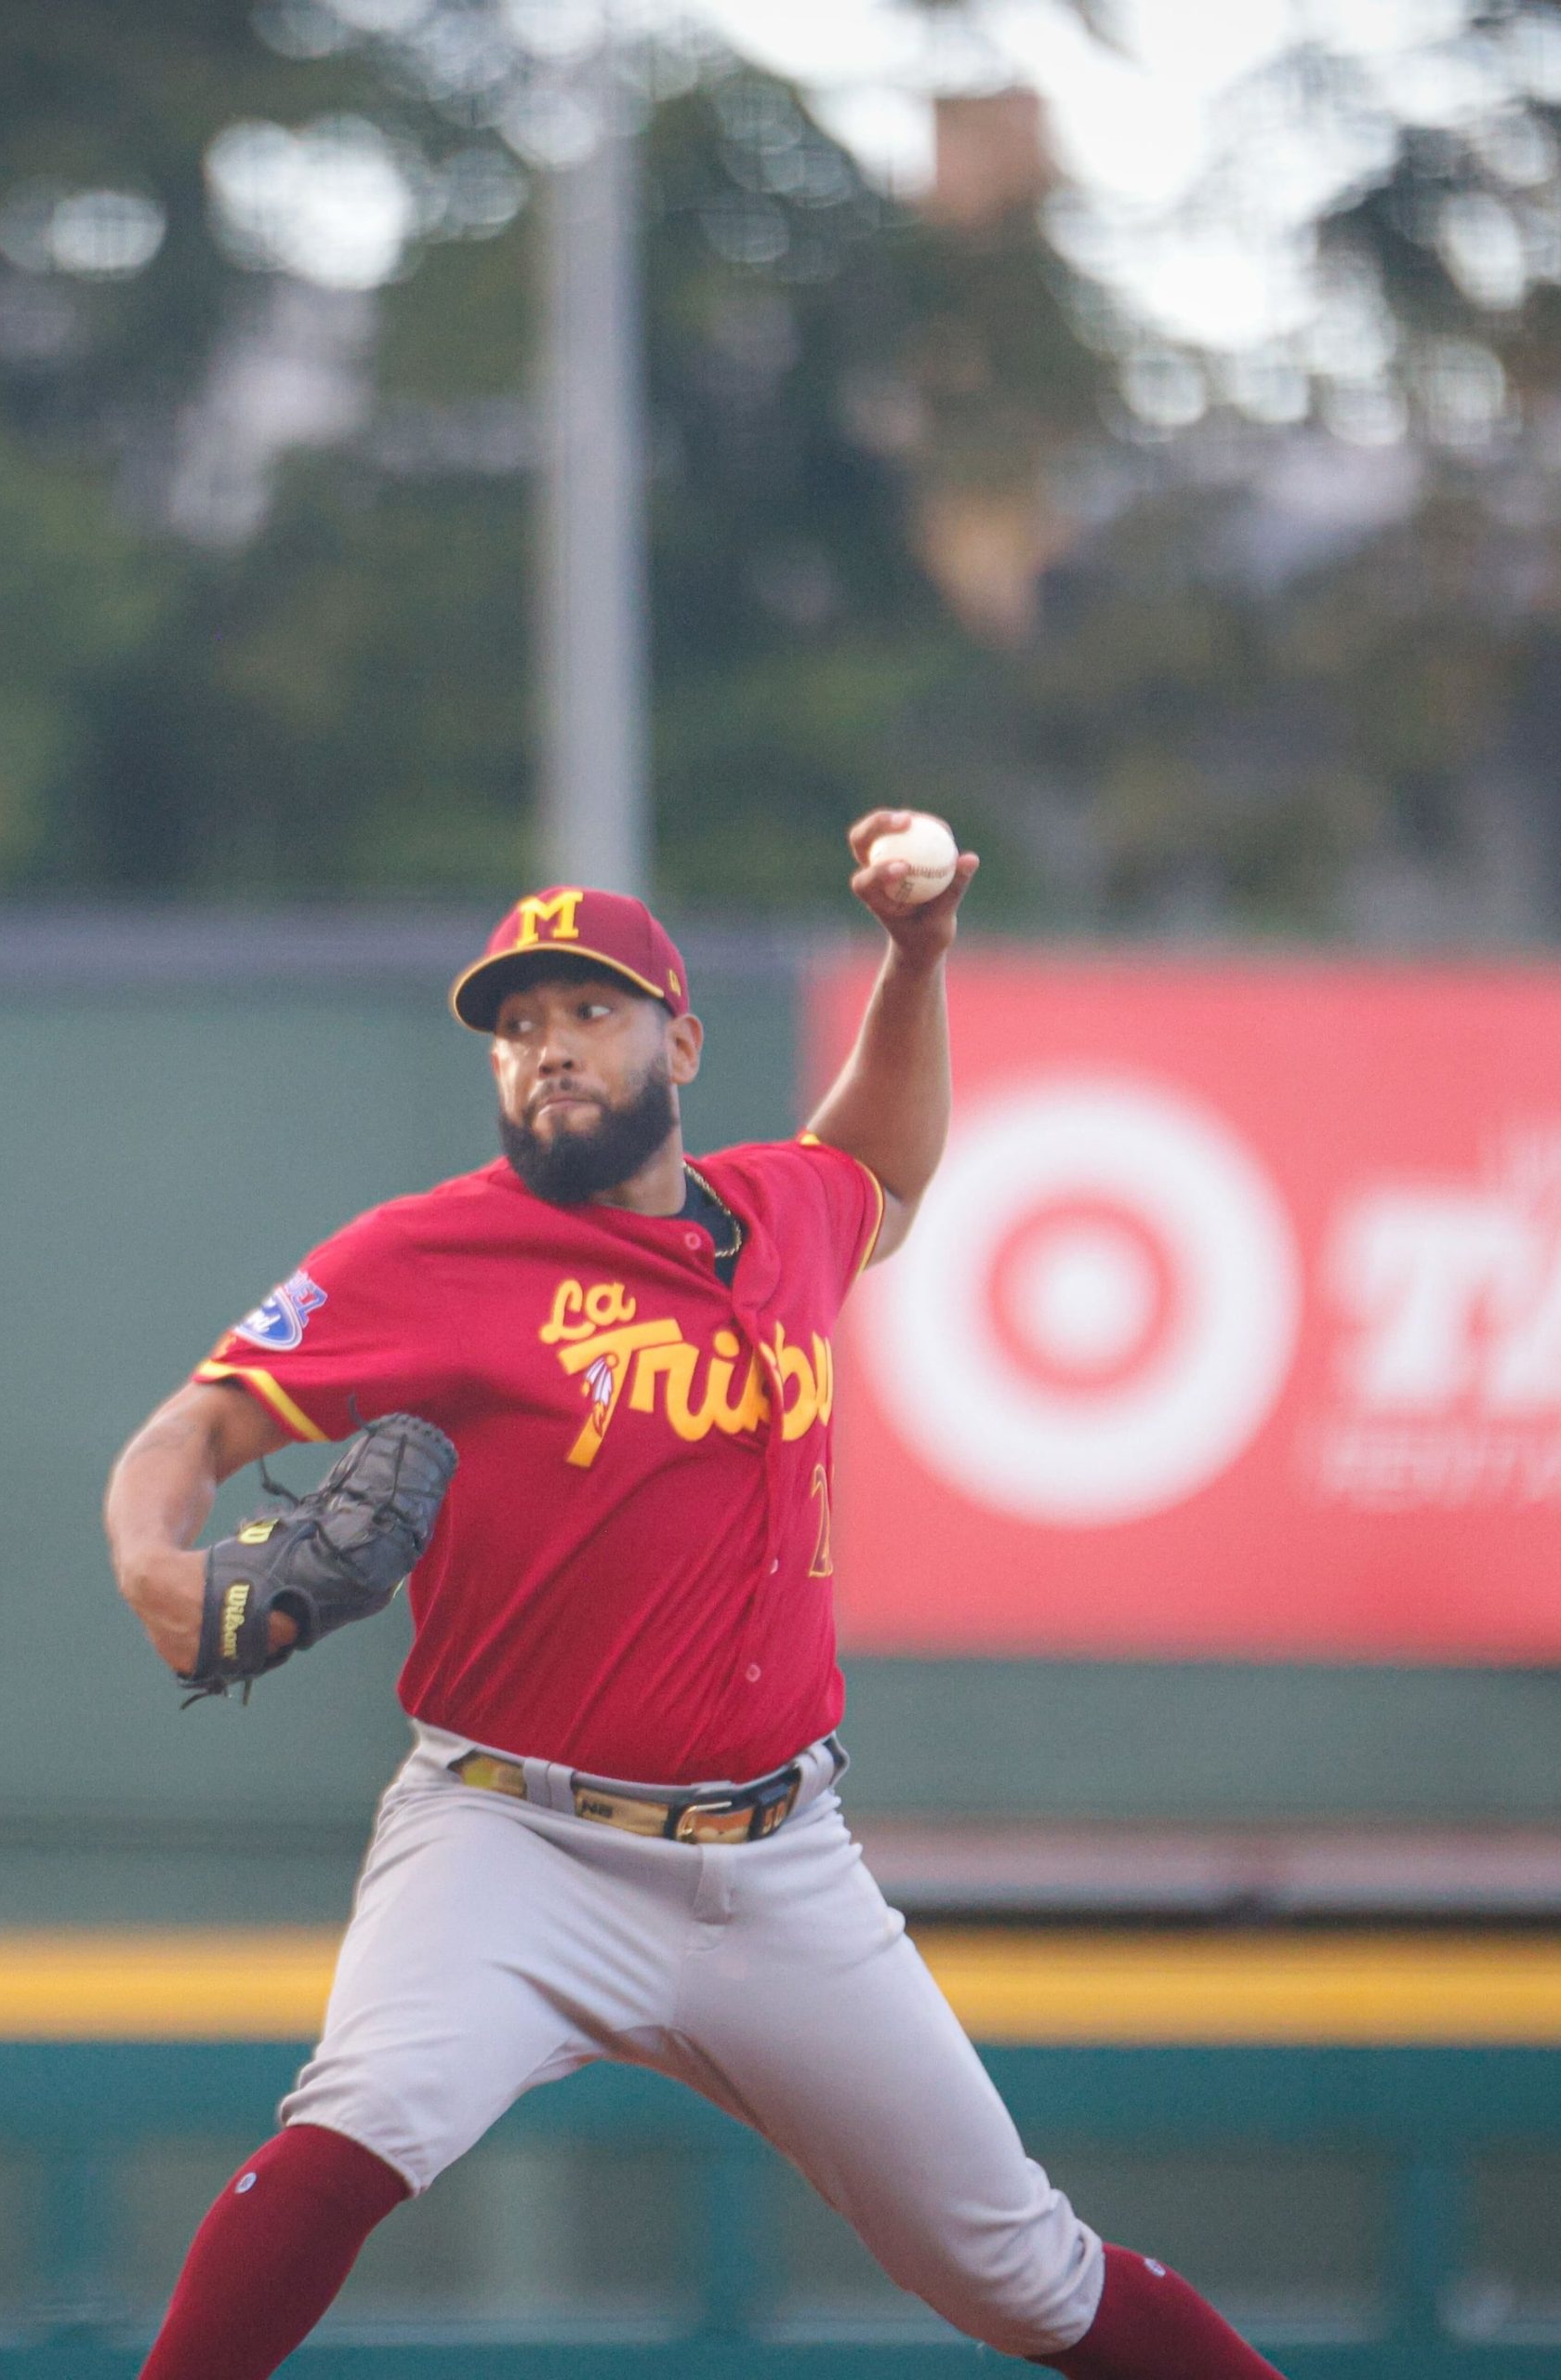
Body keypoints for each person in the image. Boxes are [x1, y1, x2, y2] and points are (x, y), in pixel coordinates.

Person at [104, 815, 1284, 2380]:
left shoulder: (782, 1213)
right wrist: (155, 1560)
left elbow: (881, 1166)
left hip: (781, 1861)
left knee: (1028, 2277)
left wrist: (916, 957)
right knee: (360, 2123)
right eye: (516, 1026)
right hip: (512, 1837)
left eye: (589, 1009)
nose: (547, 1047)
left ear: (681, 1041)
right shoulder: (432, 1251)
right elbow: (193, 1429)